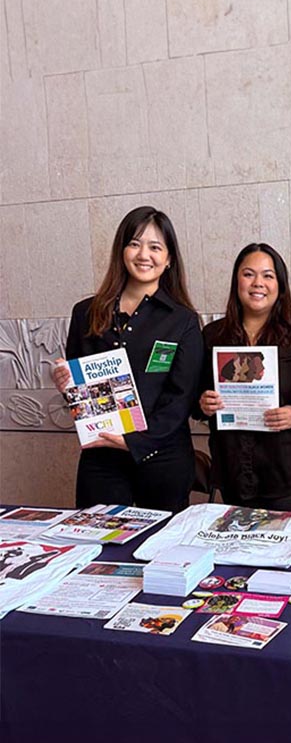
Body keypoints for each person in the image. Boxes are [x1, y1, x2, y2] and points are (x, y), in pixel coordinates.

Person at [53, 206, 203, 513]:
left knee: (159, 552)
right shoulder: (85, 313)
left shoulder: (183, 321)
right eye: (135, 243)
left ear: (169, 258)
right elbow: (80, 388)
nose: (143, 254)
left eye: (155, 247)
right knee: (98, 547)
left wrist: (135, 442)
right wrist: (66, 385)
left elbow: (180, 399)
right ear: (121, 250)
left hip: (163, 459)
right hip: (102, 456)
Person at [200, 243, 291, 511]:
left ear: (280, 284)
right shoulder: (212, 336)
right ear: (236, 281)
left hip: (289, 473)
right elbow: (193, 396)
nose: (258, 283)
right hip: (233, 472)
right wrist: (203, 403)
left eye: (268, 275)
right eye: (248, 274)